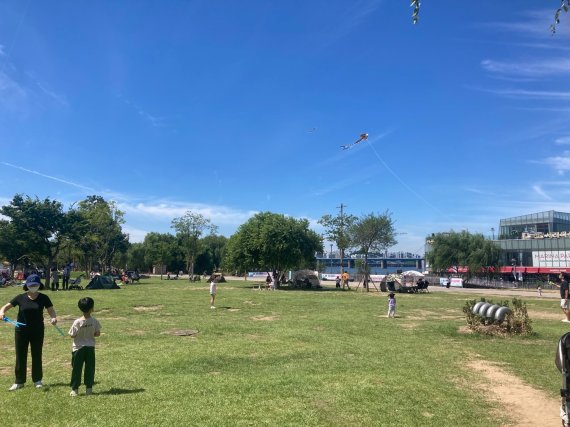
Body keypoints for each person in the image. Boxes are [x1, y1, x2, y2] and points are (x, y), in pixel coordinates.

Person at [0, 274, 58, 391]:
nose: (33, 287)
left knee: (37, 355)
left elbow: (51, 311)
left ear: (39, 285)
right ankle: (19, 381)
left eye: (35, 285)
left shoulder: (44, 298)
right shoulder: (20, 297)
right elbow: (5, 307)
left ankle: (37, 380)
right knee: (20, 355)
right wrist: (1, 313)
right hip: (21, 331)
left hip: (37, 331)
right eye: (31, 285)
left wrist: (53, 318)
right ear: (27, 285)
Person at [69, 297, 101, 396]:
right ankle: (89, 389)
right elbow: (97, 333)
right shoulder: (94, 321)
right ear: (92, 308)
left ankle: (75, 390)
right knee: (90, 368)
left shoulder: (77, 322)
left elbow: (72, 335)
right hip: (90, 348)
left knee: (76, 369)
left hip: (78, 348)